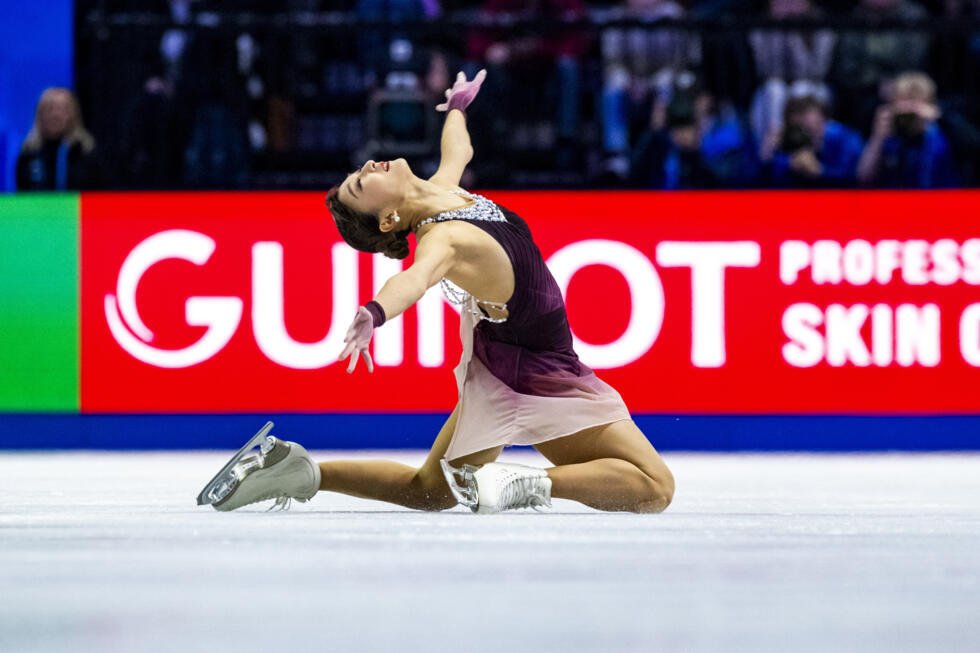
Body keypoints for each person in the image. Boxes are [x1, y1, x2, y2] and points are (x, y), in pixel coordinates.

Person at [197, 70, 674, 515]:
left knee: (430, 489)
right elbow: (415, 278)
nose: (367, 166)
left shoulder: (445, 193)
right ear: (388, 220)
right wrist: (376, 311)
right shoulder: (441, 238)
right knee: (655, 487)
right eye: (363, 182)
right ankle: (529, 483)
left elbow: (457, 152)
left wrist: (457, 108)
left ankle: (295, 470)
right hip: (537, 370)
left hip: (509, 360)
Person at [630, 74, 759, 189]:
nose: (689, 102)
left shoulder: (727, 129)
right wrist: (654, 132)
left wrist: (695, 149)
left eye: (694, 96)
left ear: (708, 98)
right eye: (684, 96)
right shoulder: (664, 137)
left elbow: (725, 174)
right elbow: (636, 171)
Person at [857, 71, 960, 188]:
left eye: (916, 102)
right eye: (903, 100)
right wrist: (878, 137)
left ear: (930, 107)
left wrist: (942, 118)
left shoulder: (944, 133)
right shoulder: (889, 135)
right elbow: (864, 177)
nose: (909, 109)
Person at [763, 94, 865, 188]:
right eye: (798, 128)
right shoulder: (788, 139)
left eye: (804, 114)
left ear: (823, 118)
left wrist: (821, 172)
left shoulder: (846, 138)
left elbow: (854, 177)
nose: (800, 122)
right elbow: (766, 179)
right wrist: (786, 162)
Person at [16, 88, 102, 191]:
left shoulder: (86, 152)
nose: (56, 115)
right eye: (50, 109)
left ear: (74, 114)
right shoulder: (29, 154)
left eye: (63, 109)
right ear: (39, 114)